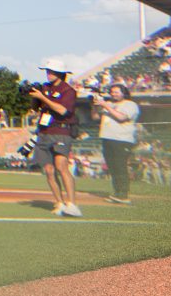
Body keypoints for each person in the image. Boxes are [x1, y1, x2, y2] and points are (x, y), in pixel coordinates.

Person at [29, 58, 82, 217]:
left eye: (51, 71)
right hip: (45, 131)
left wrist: (44, 98)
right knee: (49, 170)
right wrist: (34, 96)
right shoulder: (45, 88)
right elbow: (34, 108)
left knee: (61, 166)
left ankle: (72, 203)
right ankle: (59, 202)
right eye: (47, 71)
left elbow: (63, 111)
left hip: (61, 131)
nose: (48, 74)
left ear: (60, 73)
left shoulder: (68, 90)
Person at [93, 83, 141, 205]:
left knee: (120, 166)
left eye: (117, 92)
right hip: (107, 137)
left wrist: (105, 105)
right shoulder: (109, 104)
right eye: (112, 92)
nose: (114, 94)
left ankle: (124, 194)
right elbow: (94, 117)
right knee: (112, 167)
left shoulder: (130, 104)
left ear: (123, 93)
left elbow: (121, 118)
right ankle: (117, 192)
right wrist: (94, 105)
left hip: (122, 139)